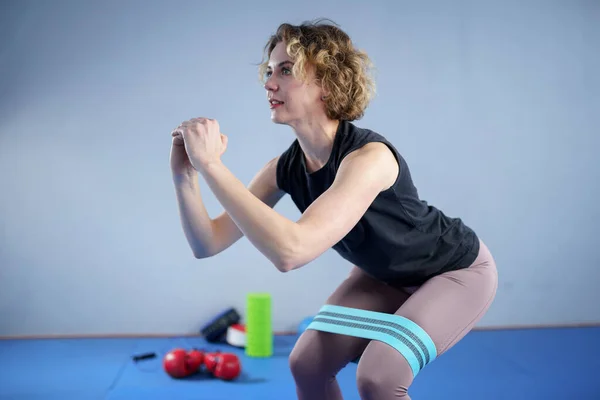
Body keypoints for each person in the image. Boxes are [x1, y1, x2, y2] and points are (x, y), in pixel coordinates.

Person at [170, 19, 498, 400]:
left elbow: (292, 251)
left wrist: (212, 165)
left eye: (287, 70)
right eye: (270, 71)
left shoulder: (369, 158)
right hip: (383, 276)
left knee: (379, 376)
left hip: (455, 272)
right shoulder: (283, 169)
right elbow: (208, 242)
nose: (269, 82)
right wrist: (186, 175)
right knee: (306, 364)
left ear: (326, 83)